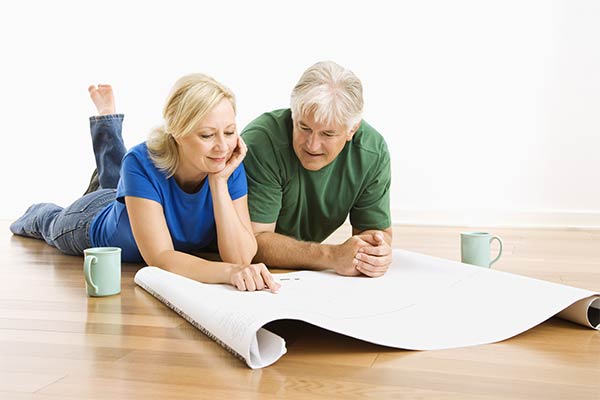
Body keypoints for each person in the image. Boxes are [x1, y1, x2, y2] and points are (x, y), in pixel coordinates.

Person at [11, 74, 279, 293]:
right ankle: (37, 212)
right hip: (90, 220)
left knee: (117, 179)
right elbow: (160, 257)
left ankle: (107, 120)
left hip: (133, 201)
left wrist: (219, 182)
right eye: (207, 135)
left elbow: (241, 258)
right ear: (176, 132)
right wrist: (229, 273)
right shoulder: (141, 161)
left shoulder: (226, 164)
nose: (222, 146)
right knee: (52, 221)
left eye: (230, 132)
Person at [241, 61, 393, 277]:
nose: (312, 145)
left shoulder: (371, 152)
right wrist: (331, 256)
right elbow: (254, 242)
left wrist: (375, 253)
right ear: (293, 115)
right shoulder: (262, 142)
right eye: (304, 127)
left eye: (328, 134)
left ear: (352, 130)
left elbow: (375, 233)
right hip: (222, 261)